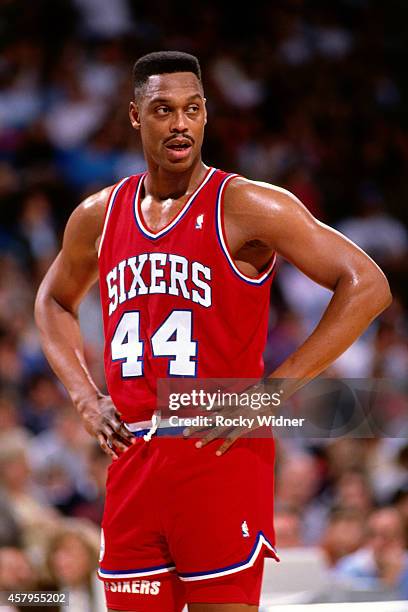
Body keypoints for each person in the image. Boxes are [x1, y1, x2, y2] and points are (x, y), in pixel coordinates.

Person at [35, 51, 391, 612]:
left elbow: (366, 285)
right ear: (134, 116)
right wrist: (83, 395)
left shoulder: (247, 204)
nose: (180, 122)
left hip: (218, 450)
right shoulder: (99, 215)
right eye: (163, 109)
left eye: (193, 109)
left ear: (206, 116)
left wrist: (272, 394)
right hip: (133, 457)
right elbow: (53, 300)